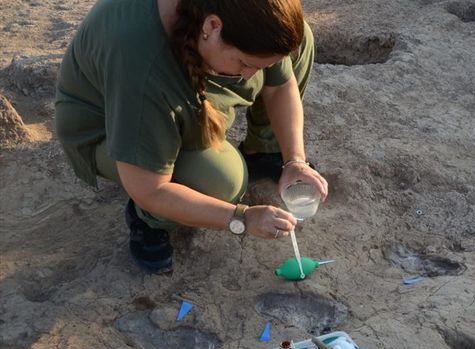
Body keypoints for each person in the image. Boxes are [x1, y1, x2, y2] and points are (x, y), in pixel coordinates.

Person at [55, 0, 328, 273]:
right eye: (246, 64)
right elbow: (151, 189)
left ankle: (263, 150)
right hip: (113, 125)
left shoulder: (227, 24)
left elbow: (279, 86)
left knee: (293, 38)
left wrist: (295, 160)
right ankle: (150, 219)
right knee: (221, 181)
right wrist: (241, 218)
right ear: (213, 26)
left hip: (171, 81)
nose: (250, 76)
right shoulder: (143, 69)